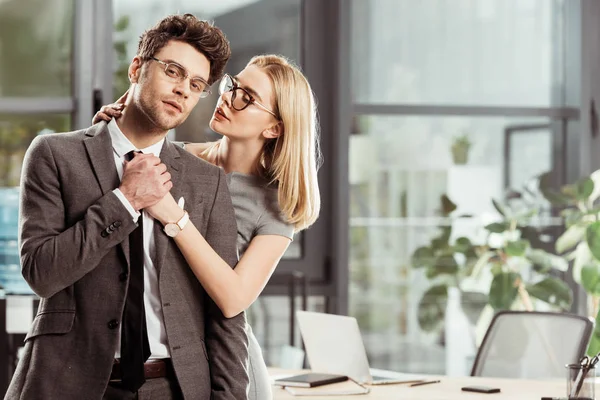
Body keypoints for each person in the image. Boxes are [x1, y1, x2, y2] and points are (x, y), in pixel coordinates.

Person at [7, 14, 249, 400]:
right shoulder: (55, 154)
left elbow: (224, 313)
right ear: (137, 68)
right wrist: (124, 200)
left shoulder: (208, 181)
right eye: (173, 71)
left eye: (196, 84)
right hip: (69, 383)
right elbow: (41, 273)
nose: (184, 90)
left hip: (174, 388)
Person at [94, 54, 321, 400]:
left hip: (227, 366)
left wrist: (174, 216)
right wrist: (110, 134)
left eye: (247, 98)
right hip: (154, 358)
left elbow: (233, 299)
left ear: (274, 127)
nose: (228, 98)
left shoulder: (275, 205)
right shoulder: (175, 159)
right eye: (232, 85)